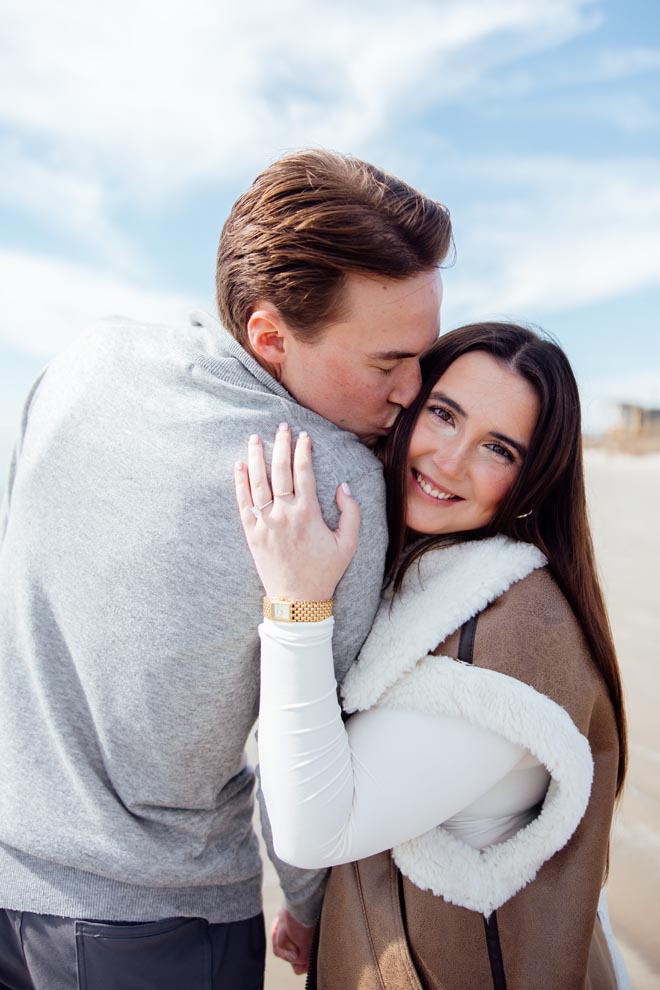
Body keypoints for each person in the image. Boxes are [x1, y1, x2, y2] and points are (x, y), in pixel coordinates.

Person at [0, 150, 452, 988]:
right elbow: (311, 746)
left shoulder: (80, 363)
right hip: (155, 928)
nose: (414, 392)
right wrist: (316, 913)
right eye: (388, 363)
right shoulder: (327, 479)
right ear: (270, 336)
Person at [235, 322, 630, 988]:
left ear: (533, 480)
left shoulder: (509, 639)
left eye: (497, 449)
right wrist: (319, 907)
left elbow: (314, 830)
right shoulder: (429, 582)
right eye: (444, 415)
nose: (448, 461)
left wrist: (296, 602)